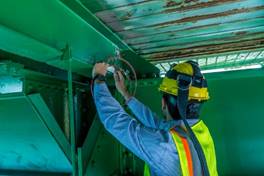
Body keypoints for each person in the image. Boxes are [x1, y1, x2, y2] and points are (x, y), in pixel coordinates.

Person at [92, 61, 218, 176]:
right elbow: (157, 123)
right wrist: (126, 94)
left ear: (164, 103)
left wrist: (98, 78)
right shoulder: (200, 132)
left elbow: (113, 119)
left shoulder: (163, 146)